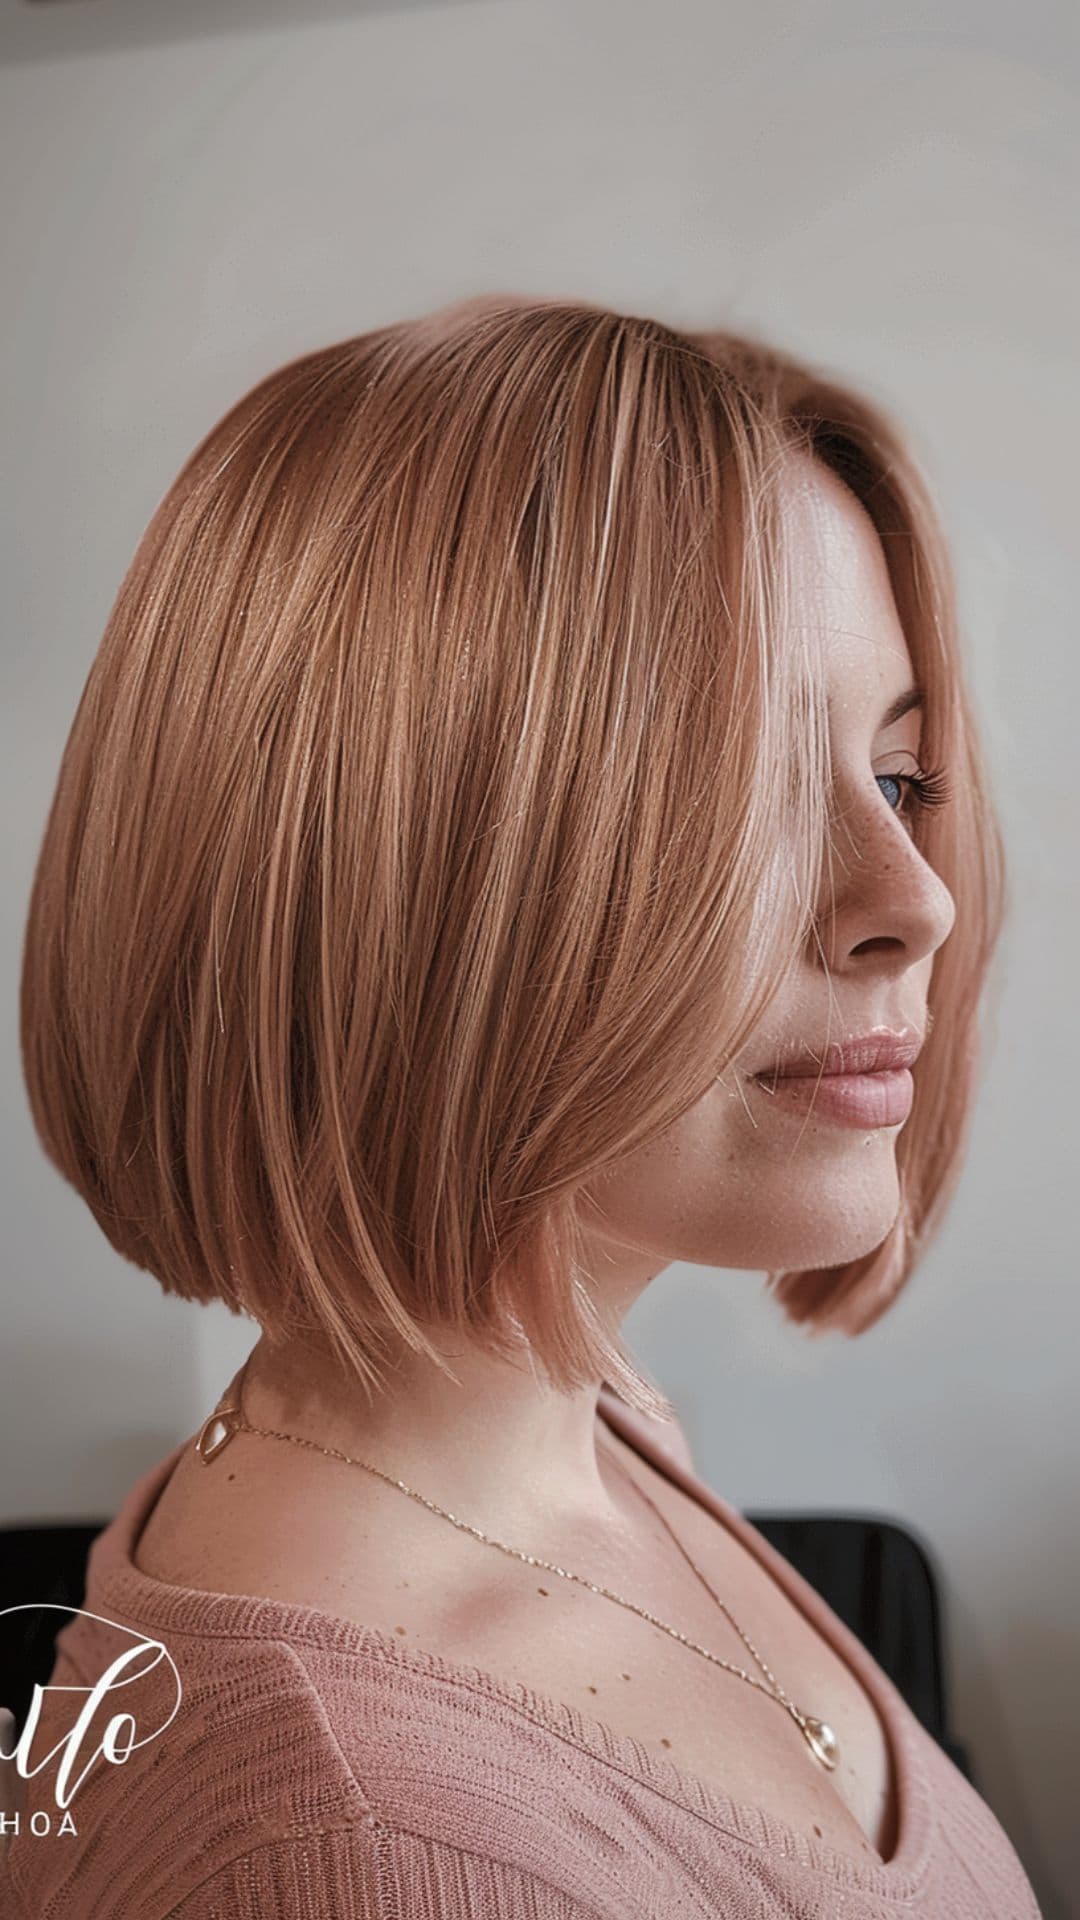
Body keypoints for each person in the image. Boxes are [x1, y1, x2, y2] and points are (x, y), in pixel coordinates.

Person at [5, 296, 1041, 1917]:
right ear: (389, 871)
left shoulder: (577, 1414)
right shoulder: (368, 1856)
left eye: (899, 778)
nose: (914, 898)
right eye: (729, 794)